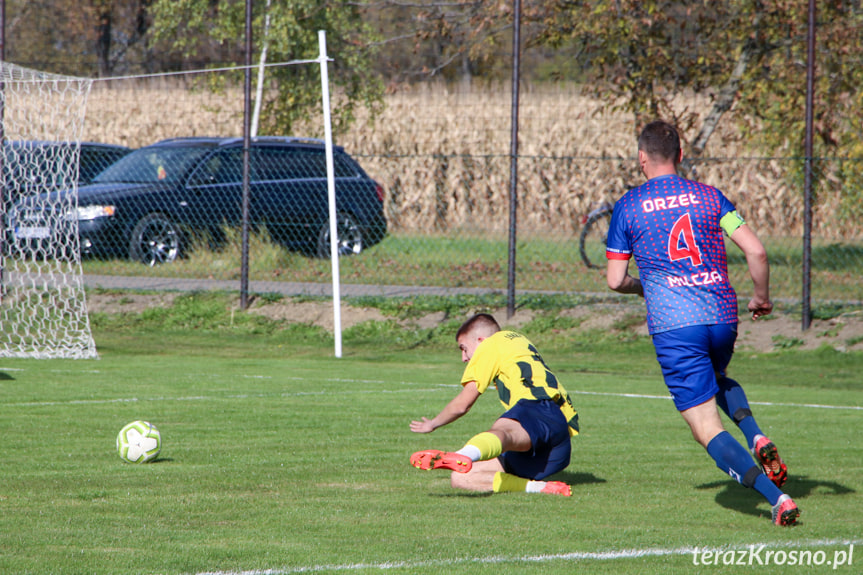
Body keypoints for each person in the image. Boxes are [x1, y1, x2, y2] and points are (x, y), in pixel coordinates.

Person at [605, 120, 799, 526]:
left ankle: (776, 497)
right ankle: (756, 435)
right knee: (718, 374)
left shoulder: (629, 205)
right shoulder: (710, 197)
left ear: (642, 158)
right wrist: (761, 298)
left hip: (675, 324)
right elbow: (757, 252)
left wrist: (647, 287)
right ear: (680, 155)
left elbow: (615, 279)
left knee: (705, 427)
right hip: (722, 316)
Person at [409, 313, 579, 496]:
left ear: (481, 340)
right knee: (461, 477)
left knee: (503, 432)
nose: (464, 357)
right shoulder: (517, 340)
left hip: (538, 409)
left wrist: (432, 423)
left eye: (464, 348)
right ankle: (540, 488)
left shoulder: (490, 344)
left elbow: (463, 404)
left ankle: (463, 454)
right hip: (556, 446)